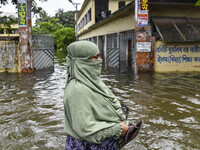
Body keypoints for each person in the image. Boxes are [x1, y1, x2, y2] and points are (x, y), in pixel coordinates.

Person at [63, 41, 142, 150]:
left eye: (99, 56)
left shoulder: (91, 81)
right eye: (94, 57)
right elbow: (84, 130)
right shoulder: (78, 91)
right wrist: (117, 129)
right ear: (81, 62)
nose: (100, 60)